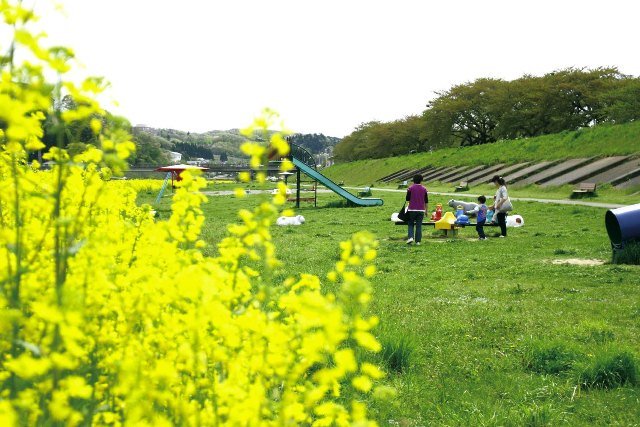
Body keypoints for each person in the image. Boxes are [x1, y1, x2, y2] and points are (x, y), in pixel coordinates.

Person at [406, 174, 428, 245]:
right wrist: (426, 211)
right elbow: (426, 201)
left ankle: (410, 237)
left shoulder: (410, 188)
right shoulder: (424, 189)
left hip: (411, 209)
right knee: (419, 225)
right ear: (421, 180)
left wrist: (408, 192)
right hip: (421, 210)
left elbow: (407, 199)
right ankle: (418, 241)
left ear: (413, 180)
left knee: (410, 224)